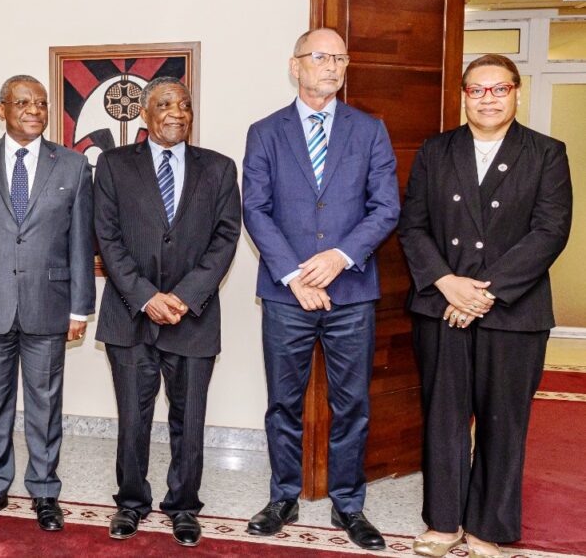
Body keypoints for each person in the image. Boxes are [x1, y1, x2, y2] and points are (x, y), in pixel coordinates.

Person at [399, 54, 572, 558]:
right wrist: (447, 283)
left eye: (499, 89)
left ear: (517, 93)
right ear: (463, 96)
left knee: (503, 420)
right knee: (444, 416)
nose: (488, 98)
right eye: (477, 90)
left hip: (514, 313)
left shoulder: (545, 153)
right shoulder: (436, 150)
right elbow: (413, 226)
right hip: (442, 307)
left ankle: (486, 527)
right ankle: (444, 523)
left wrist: (482, 293)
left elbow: (549, 232)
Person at [240, 27, 399, 551]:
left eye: (340, 58)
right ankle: (283, 496)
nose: (332, 67)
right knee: (283, 403)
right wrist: (293, 275)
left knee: (352, 404)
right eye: (321, 57)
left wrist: (338, 257)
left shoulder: (369, 129)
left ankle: (348, 506)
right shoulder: (265, 132)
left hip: (350, 290)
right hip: (288, 295)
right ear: (296, 65)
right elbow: (255, 210)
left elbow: (385, 208)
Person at [93, 76, 240, 547]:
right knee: (132, 419)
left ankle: (183, 506)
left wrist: (184, 295)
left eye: (185, 105)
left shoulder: (218, 168)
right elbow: (108, 239)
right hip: (130, 315)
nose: (177, 112)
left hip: (192, 317)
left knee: (189, 419)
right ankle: (131, 503)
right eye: (165, 104)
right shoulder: (113, 166)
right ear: (144, 113)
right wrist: (146, 296)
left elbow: (225, 238)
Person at [0, 75, 95, 532]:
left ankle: (45, 491)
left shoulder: (72, 166)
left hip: (48, 305)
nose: (34, 110)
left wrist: (79, 308)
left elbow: (80, 241)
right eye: (23, 103)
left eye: (41, 103)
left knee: (44, 403)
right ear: (2, 110)